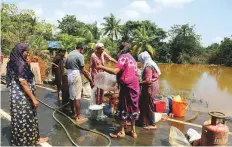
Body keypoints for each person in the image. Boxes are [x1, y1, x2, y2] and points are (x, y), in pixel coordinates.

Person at [6, 43, 48, 146]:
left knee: (21, 119)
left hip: (16, 96)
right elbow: (23, 82)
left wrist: (27, 64)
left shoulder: (12, 61)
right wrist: (33, 98)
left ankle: (31, 139)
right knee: (26, 119)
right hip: (22, 97)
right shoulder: (20, 63)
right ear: (21, 51)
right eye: (26, 51)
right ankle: (27, 142)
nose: (27, 53)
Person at [96, 42, 140, 138]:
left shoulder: (123, 57)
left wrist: (101, 67)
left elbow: (116, 71)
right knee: (132, 107)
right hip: (135, 87)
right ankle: (133, 131)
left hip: (127, 87)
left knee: (123, 107)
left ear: (121, 49)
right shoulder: (132, 58)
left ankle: (121, 132)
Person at [66, 43, 94, 121]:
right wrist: (91, 81)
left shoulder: (70, 54)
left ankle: (73, 113)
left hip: (69, 74)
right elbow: (82, 70)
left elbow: (66, 66)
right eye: (83, 49)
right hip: (76, 74)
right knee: (78, 97)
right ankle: (78, 117)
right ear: (81, 48)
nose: (83, 51)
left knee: (72, 96)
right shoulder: (80, 55)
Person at [138, 51, 161, 130]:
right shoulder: (151, 63)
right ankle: (143, 121)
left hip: (150, 87)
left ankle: (152, 123)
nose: (141, 61)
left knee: (148, 105)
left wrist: (138, 83)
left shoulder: (148, 66)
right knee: (144, 103)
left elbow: (148, 80)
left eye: (141, 60)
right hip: (153, 86)